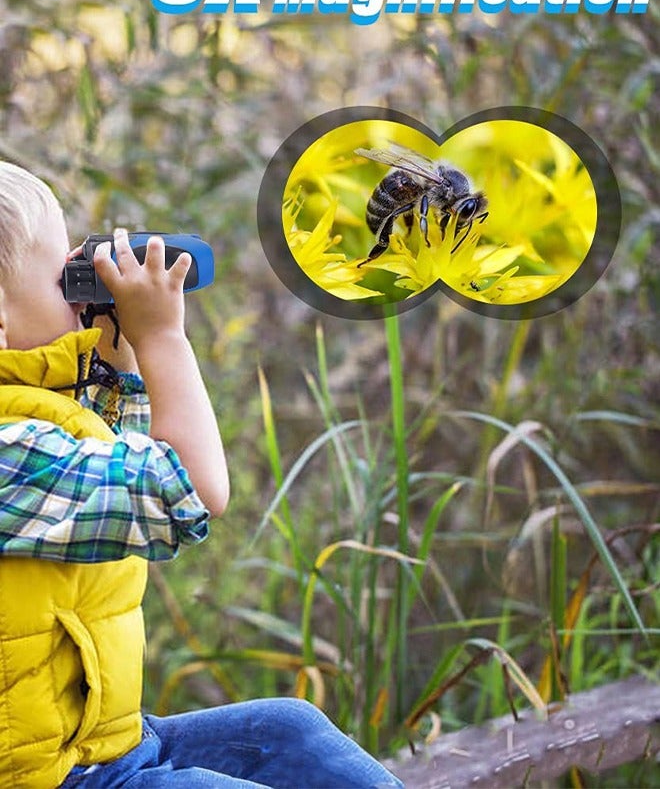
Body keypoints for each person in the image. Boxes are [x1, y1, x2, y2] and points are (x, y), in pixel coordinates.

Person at [0, 161, 403, 789]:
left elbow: (111, 457)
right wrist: (163, 337)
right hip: (44, 779)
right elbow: (183, 490)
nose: (82, 290)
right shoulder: (6, 455)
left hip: (100, 744)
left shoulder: (28, 414)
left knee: (286, 731)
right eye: (62, 279)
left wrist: (118, 347)